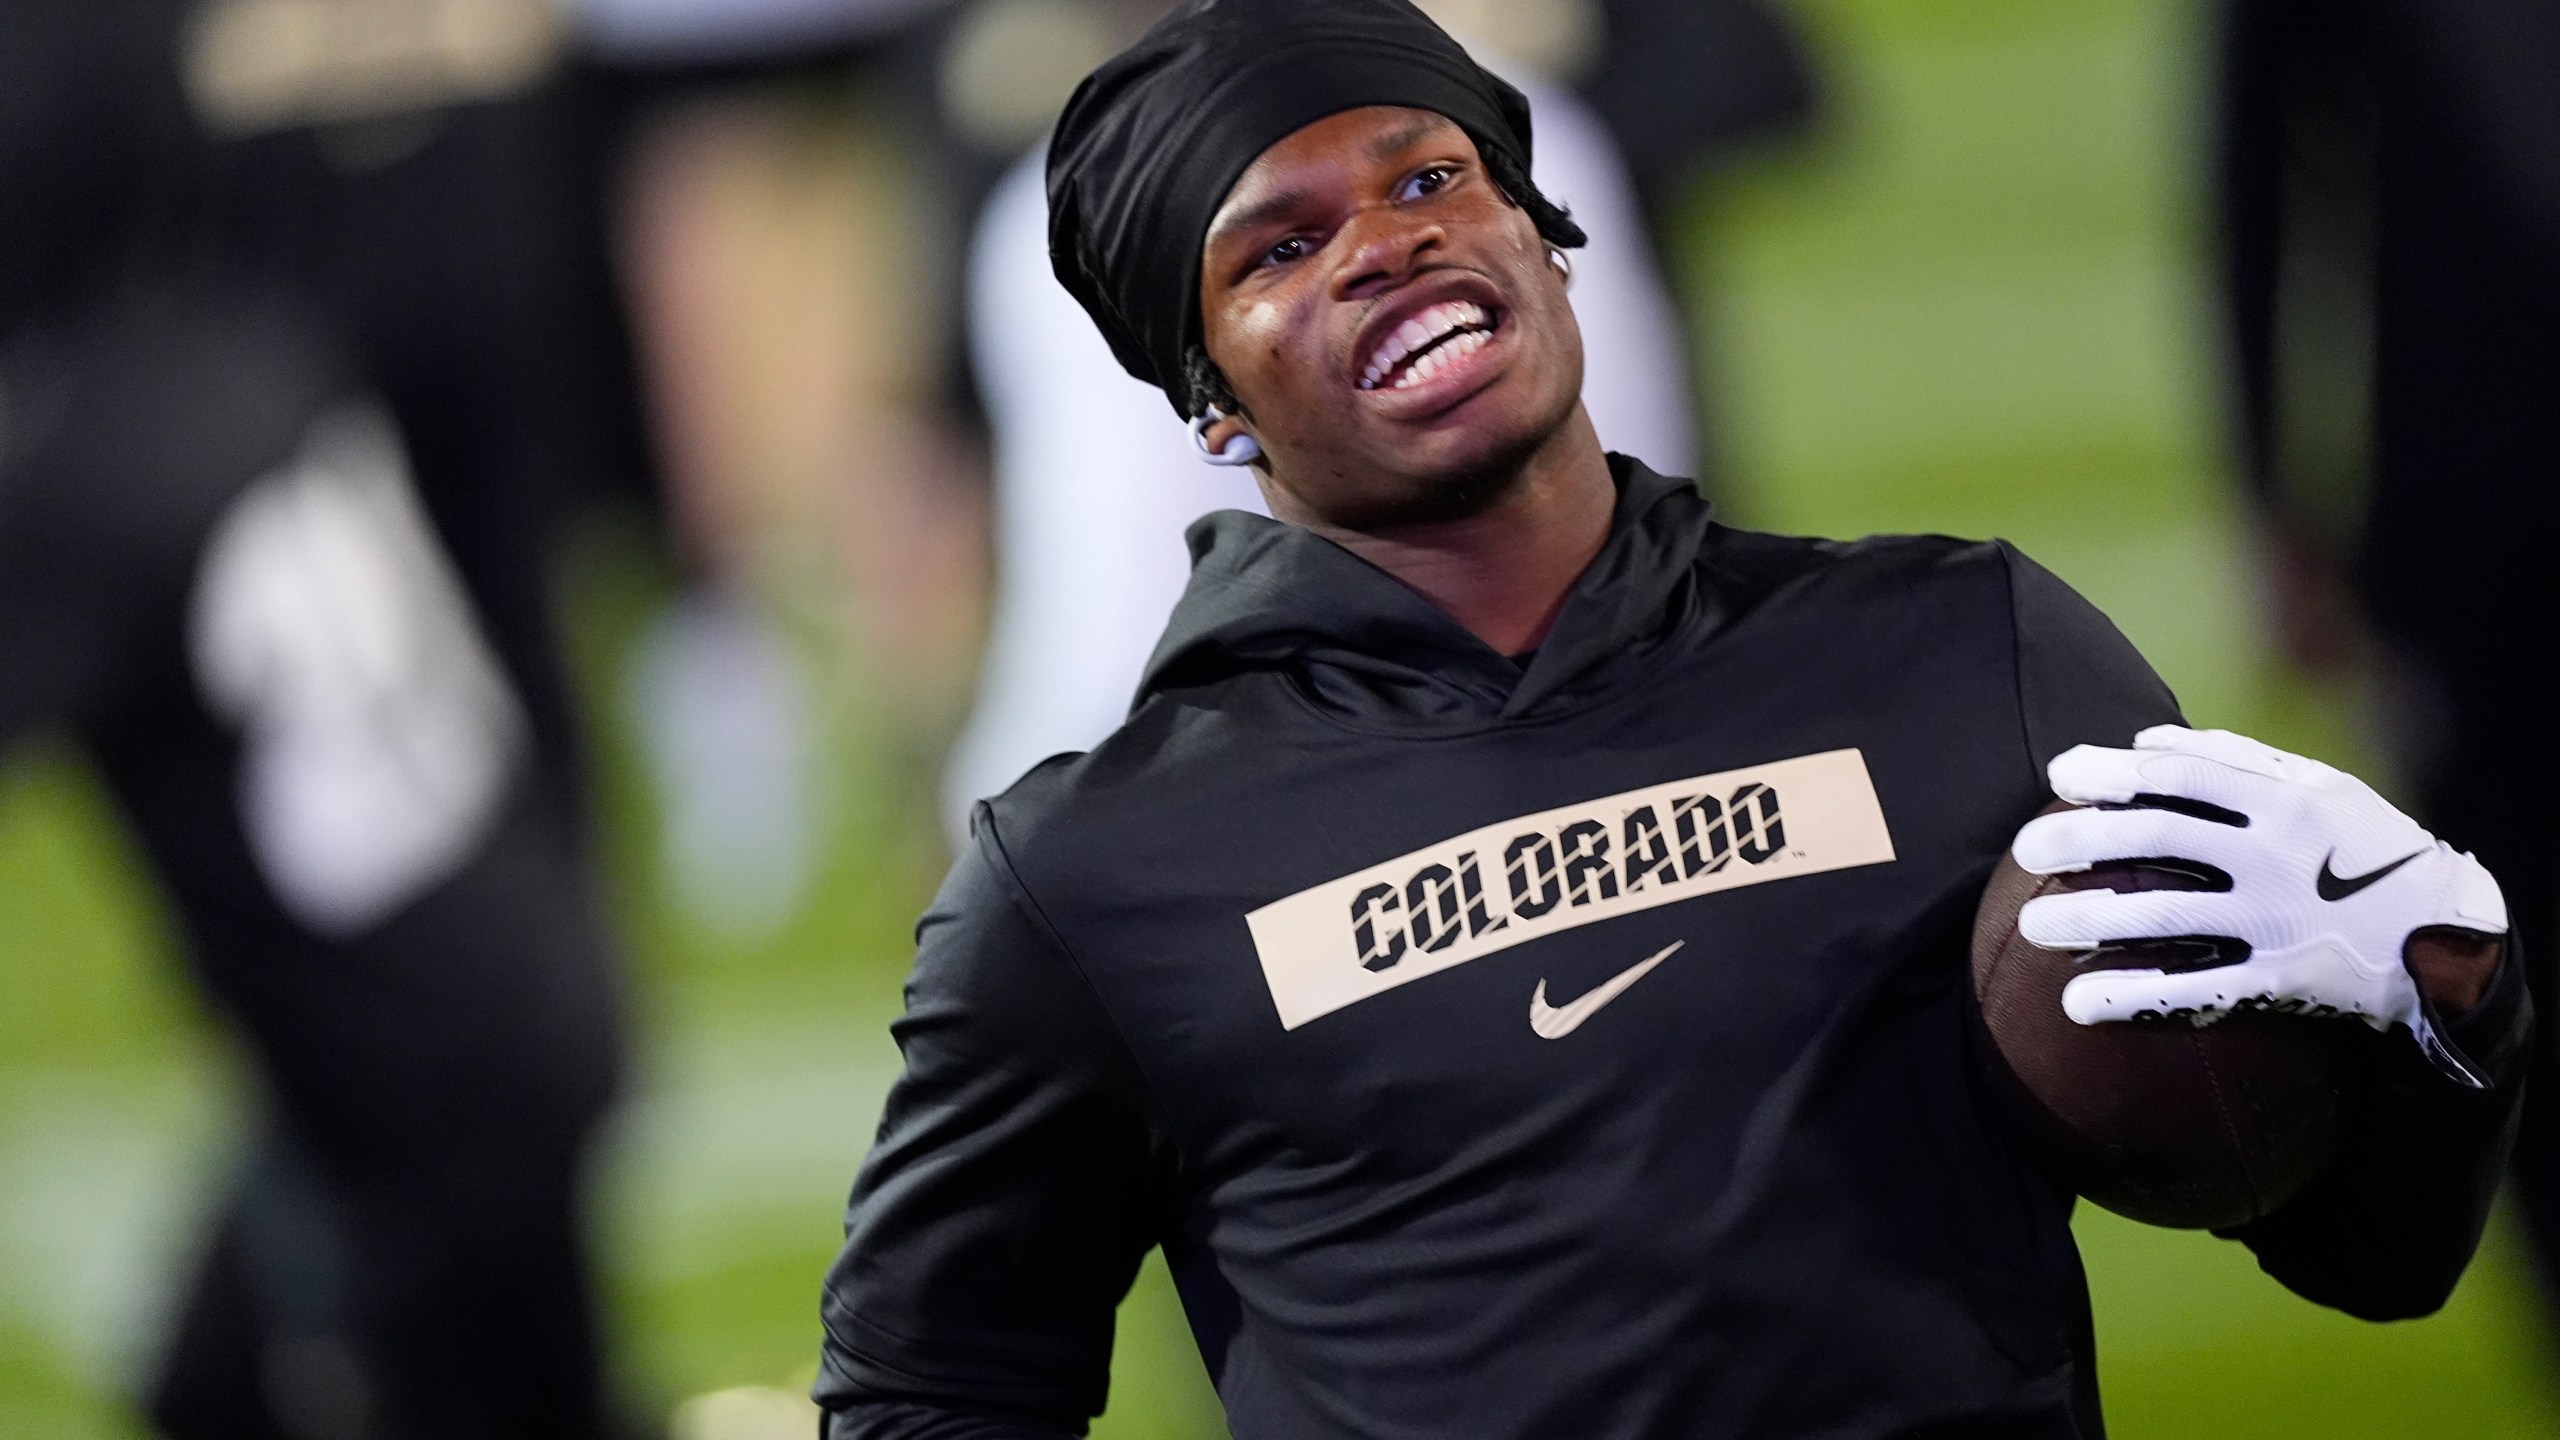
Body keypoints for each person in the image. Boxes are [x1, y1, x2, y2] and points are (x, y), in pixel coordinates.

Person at [815, 1, 2529, 1435]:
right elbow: (925, 1384)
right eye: (1282, 243)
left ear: (1548, 237)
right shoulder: (1090, 877)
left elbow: (2370, 1251)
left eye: (1431, 176)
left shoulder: (1963, 652)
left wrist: (2444, 997)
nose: (1388, 243)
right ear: (1206, 405)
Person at [3, 3, 627, 1434]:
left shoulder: (91, 466)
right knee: (207, 1394)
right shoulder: (239, 351)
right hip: (501, 995)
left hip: (414, 1106)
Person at [940, 49, 1696, 838]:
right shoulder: (1508, 118)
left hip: (1152, 780)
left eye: (1420, 188)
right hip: (1600, 717)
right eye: (1285, 250)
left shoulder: (1055, 203)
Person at [2213, 0, 2560, 1302]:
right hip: (2461, 518)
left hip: (2454, 484)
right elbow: (2258, 160)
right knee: (2508, 947)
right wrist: (2272, 491)